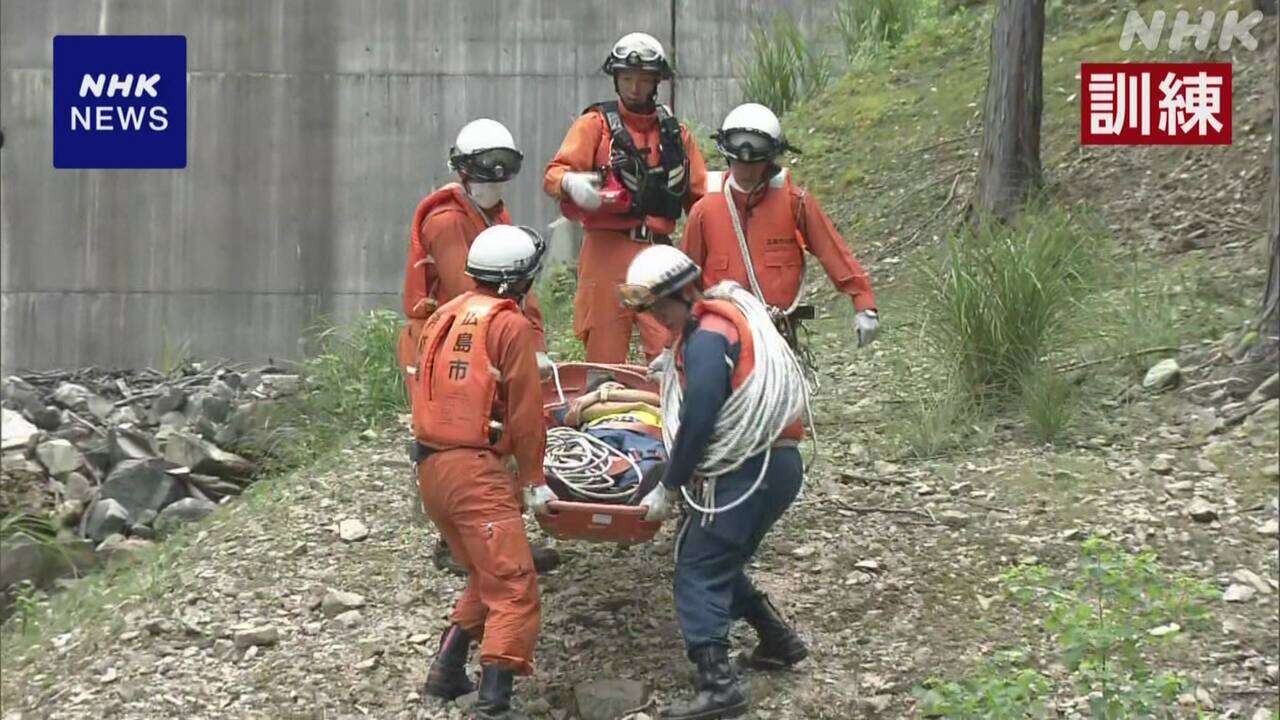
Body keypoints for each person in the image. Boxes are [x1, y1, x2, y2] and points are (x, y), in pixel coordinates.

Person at [621, 246, 810, 720]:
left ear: (687, 292)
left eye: (660, 304)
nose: (656, 316)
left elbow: (702, 414)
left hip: (748, 469)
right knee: (719, 554)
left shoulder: (707, 336)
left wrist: (669, 483)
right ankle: (777, 640)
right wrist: (677, 363)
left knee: (696, 567)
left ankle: (719, 685)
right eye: (648, 309)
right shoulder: (713, 329)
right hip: (777, 468)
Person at [412, 225, 559, 720]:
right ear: (520, 279)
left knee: (484, 573)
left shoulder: (444, 316)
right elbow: (524, 415)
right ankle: (494, 703)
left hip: (432, 469)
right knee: (515, 585)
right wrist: (534, 480)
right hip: (476, 473)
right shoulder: (510, 325)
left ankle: (447, 671)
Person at [399, 118, 551, 575]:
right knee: (462, 440)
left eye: (505, 168)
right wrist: (516, 341)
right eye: (488, 169)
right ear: (465, 170)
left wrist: (533, 340)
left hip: (477, 335)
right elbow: (472, 290)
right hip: (446, 341)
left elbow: (517, 286)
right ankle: (462, 545)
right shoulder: (447, 221)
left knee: (496, 435)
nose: (496, 179)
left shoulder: (493, 215)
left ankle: (499, 536)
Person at [543, 32, 708, 363]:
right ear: (616, 79)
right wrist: (572, 183)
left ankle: (673, 409)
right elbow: (553, 175)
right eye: (628, 78)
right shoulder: (594, 125)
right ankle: (600, 409)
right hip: (605, 251)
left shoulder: (675, 133)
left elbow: (700, 199)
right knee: (603, 352)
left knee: (672, 347)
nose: (635, 87)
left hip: (658, 250)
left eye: (644, 80)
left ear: (656, 82)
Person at [682, 103, 879, 350]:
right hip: (722, 332)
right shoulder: (704, 210)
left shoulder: (794, 203)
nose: (745, 170)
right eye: (738, 162)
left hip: (778, 333)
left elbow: (833, 252)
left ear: (770, 161)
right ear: (726, 155)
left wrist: (864, 304)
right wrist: (676, 343)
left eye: (754, 163)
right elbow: (685, 278)